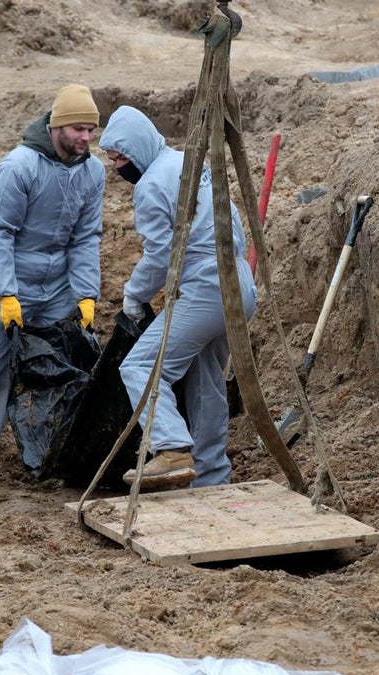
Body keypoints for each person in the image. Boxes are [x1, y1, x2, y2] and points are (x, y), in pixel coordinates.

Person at [0, 84, 105, 502]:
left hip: (57, 288)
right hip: (11, 281)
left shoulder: (93, 172)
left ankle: (56, 458)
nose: (85, 138)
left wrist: (86, 294)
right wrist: (5, 293)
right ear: (56, 126)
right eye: (77, 129)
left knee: (59, 371)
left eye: (91, 129)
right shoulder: (19, 167)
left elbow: (86, 237)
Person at [98, 105, 257, 489]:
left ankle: (170, 448)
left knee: (140, 368)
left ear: (135, 149)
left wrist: (134, 295)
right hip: (239, 283)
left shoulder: (152, 184)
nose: (118, 167)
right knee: (205, 382)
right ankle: (211, 477)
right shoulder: (189, 162)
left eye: (120, 158)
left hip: (206, 288)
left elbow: (161, 256)